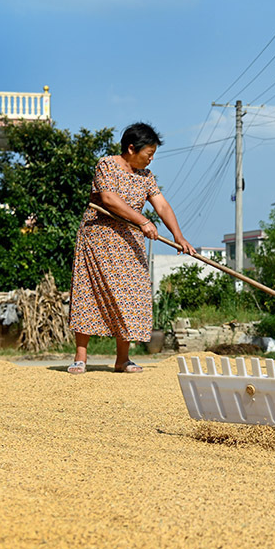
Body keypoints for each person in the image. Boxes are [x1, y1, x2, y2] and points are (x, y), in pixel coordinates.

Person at [67, 122, 193, 374]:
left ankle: (122, 359)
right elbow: (108, 199)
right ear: (131, 148)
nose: (151, 160)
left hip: (129, 242)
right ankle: (81, 357)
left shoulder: (146, 177)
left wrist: (179, 237)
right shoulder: (106, 165)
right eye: (149, 154)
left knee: (131, 294)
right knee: (89, 293)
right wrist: (143, 221)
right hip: (99, 239)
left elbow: (163, 206)